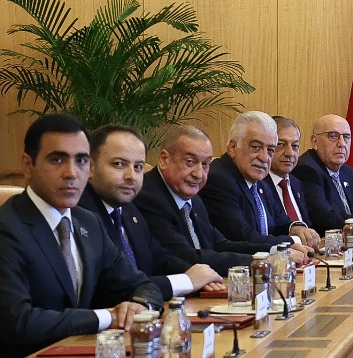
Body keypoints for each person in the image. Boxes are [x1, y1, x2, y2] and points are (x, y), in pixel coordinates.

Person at [0, 114, 161, 358]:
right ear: (28, 165)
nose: (71, 173)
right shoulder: (0, 231)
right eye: (57, 160)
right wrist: (108, 317)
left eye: (81, 160)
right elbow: (21, 324)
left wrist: (139, 307)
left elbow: (142, 285)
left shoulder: (88, 222)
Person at [79, 123, 223, 301]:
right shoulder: (82, 215)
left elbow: (159, 258)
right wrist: (187, 281)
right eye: (119, 164)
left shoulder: (128, 209)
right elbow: (115, 287)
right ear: (90, 167)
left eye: (138, 167)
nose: (131, 176)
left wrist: (198, 275)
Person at [135, 124, 289, 266]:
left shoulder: (194, 199)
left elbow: (220, 244)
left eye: (205, 164)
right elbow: (186, 257)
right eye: (190, 162)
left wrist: (277, 252)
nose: (199, 174)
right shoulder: (148, 197)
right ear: (164, 159)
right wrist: (259, 262)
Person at [202, 112, 310, 250]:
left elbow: (281, 221)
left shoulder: (259, 180)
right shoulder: (219, 180)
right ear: (232, 147)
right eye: (256, 147)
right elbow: (243, 237)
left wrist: (296, 228)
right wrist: (294, 240)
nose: (264, 158)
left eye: (270, 150)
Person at [268, 117, 321, 250]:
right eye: (281, 144)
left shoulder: (296, 183)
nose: (290, 153)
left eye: (295, 146)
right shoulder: (259, 185)